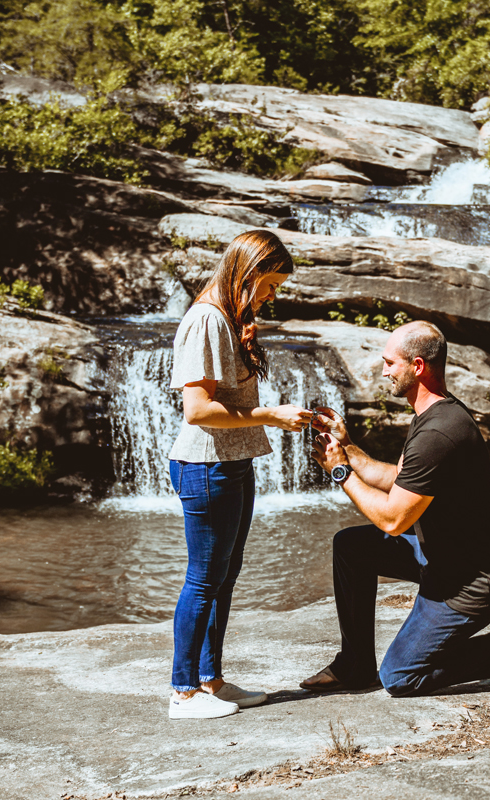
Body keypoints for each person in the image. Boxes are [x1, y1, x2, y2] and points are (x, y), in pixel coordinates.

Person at [303, 321, 490, 697]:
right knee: (352, 547)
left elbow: (393, 519)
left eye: (391, 362)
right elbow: (400, 479)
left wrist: (340, 471)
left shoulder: (440, 433)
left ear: (418, 366)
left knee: (401, 677)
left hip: (475, 581)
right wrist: (349, 447)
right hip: (441, 557)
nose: (384, 369)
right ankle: (355, 665)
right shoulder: (433, 414)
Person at [167, 229, 314, 719]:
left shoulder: (229, 318)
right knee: (204, 579)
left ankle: (211, 680)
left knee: (224, 577)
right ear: (247, 274)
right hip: (207, 466)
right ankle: (182, 692)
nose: (273, 296)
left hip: (230, 463)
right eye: (270, 285)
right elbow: (198, 410)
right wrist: (271, 416)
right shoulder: (207, 320)